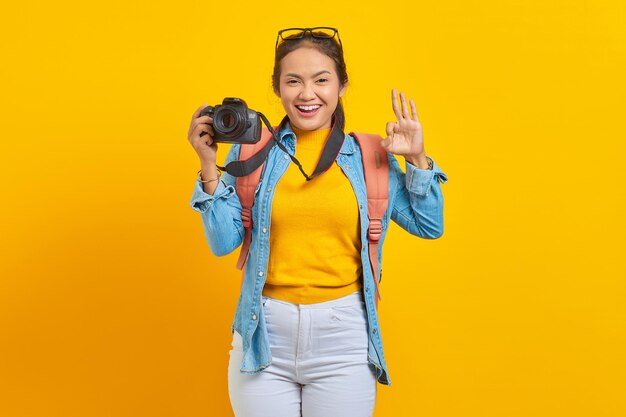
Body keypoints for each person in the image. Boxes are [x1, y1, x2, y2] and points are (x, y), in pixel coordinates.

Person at [187, 27, 447, 417]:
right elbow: (223, 242)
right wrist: (208, 165)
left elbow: (429, 225)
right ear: (277, 88)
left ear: (341, 85)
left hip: (343, 335)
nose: (307, 94)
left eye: (321, 80)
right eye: (293, 81)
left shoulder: (371, 154)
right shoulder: (250, 151)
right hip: (263, 334)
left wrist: (417, 161)